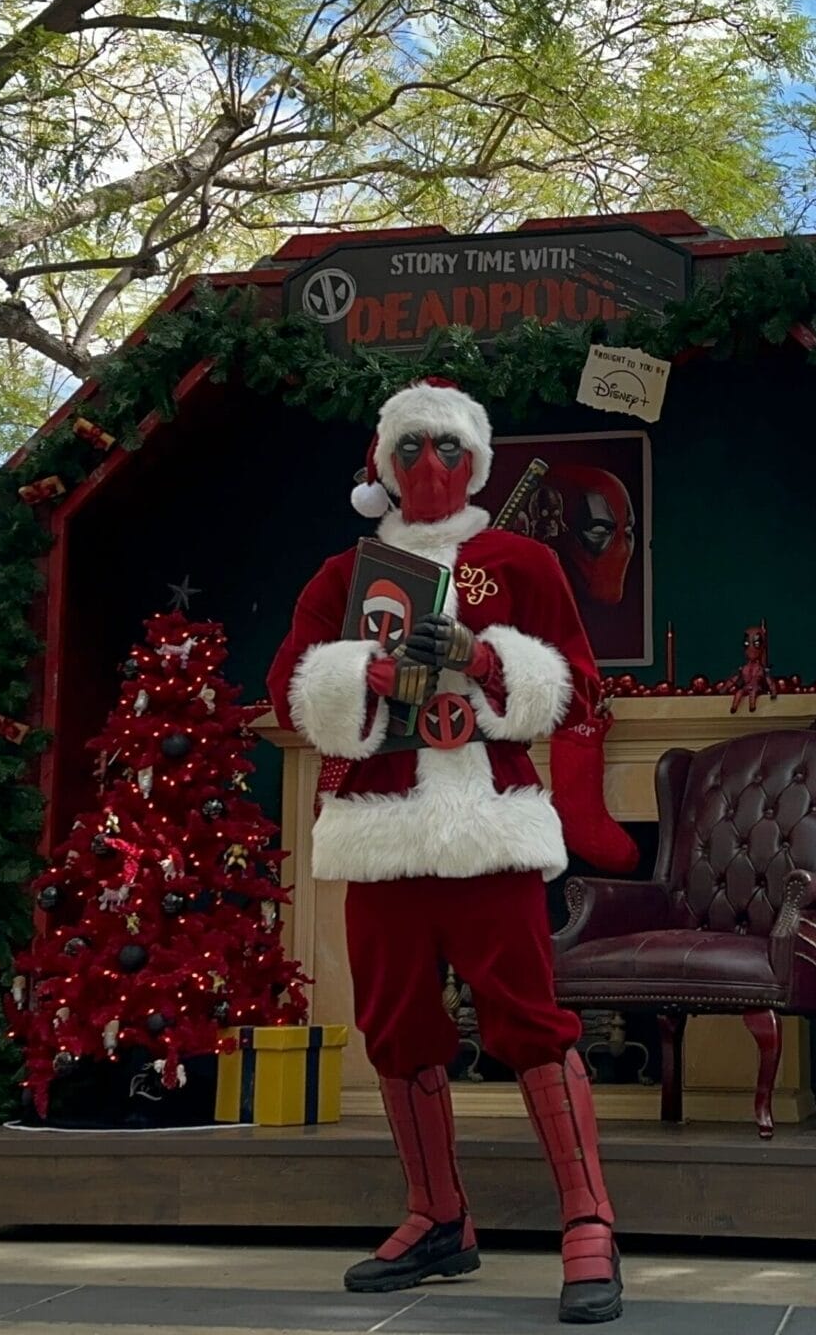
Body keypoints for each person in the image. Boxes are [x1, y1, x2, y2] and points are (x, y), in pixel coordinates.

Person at [266, 378, 622, 1325]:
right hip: (381, 837)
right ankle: (436, 1217)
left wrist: (488, 657)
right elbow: (290, 698)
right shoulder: (343, 576)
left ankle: (588, 1220)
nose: (430, 465)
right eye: (411, 448)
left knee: (531, 1024)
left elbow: (581, 694)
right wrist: (360, 673)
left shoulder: (523, 561)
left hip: (489, 829)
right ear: (382, 464)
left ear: (478, 460)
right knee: (396, 1031)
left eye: (449, 448)